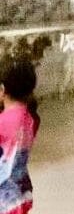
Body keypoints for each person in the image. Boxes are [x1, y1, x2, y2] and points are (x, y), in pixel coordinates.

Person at [0, 61, 39, 214]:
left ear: (2, 90)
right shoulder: (30, 118)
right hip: (21, 192)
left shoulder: (3, 122)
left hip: (4, 198)